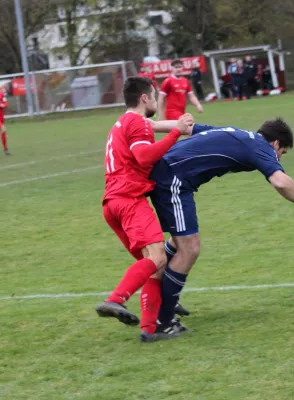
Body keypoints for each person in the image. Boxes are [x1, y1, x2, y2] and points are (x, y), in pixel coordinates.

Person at [148, 119, 294, 332]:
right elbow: (280, 181)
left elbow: (188, 127)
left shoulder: (237, 134)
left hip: (168, 173)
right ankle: (163, 321)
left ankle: (163, 298)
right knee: (190, 248)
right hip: (173, 179)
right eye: (282, 152)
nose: (279, 157)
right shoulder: (261, 147)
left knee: (179, 242)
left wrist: (152, 124)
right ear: (275, 144)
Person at [94, 76, 194, 343]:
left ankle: (151, 329)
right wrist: (175, 133)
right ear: (144, 98)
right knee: (159, 257)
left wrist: (179, 127)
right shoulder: (138, 122)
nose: (156, 100)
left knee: (152, 263)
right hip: (129, 199)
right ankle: (115, 299)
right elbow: (144, 156)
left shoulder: (121, 122)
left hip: (112, 202)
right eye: (154, 94)